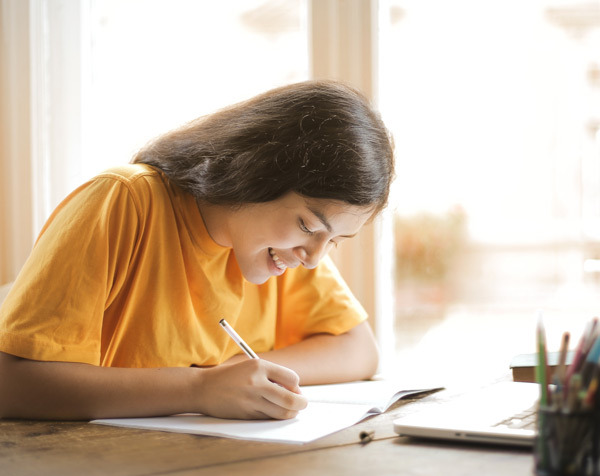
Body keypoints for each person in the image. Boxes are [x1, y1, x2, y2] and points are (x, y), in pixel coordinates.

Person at [0, 80, 395, 421]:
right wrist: (198, 388)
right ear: (255, 173)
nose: (314, 258)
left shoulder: (286, 250)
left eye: (335, 241)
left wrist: (238, 373)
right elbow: (11, 383)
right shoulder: (123, 201)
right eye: (309, 226)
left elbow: (359, 350)